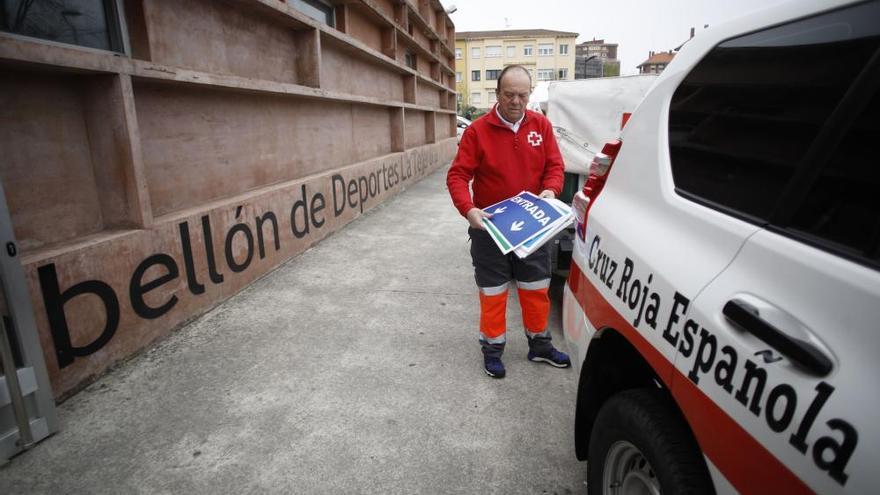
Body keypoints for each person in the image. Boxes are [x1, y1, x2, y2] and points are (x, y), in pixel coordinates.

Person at [447, 65, 571, 378]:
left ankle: (539, 345)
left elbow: (555, 167)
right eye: (509, 94)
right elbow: (458, 175)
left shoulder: (541, 126)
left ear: (530, 94)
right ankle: (492, 349)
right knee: (493, 291)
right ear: (497, 93)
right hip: (490, 228)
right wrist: (468, 209)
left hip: (533, 225)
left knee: (536, 287)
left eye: (522, 95)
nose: (516, 101)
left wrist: (550, 190)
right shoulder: (477, 130)